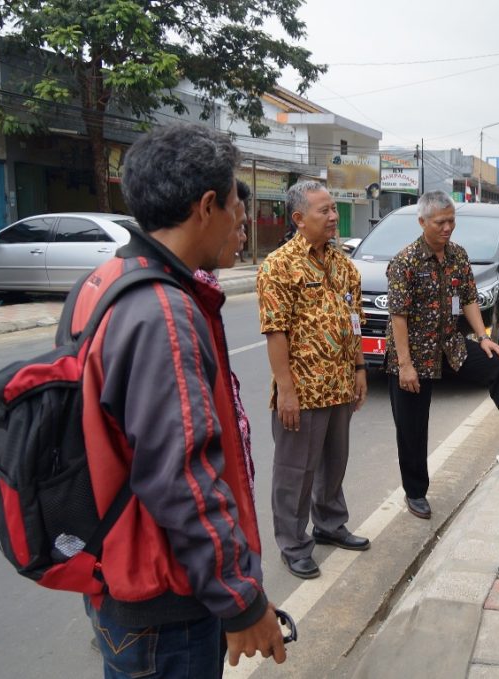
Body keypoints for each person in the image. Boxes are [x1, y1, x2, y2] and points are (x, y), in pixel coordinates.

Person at [76, 123, 285, 677]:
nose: (243, 221)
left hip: (118, 575)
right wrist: (241, 601)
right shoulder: (164, 313)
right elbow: (184, 480)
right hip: (166, 601)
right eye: (238, 205)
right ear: (208, 205)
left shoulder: (104, 281)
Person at [387, 191, 499, 520]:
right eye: (440, 222)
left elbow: (470, 298)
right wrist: (404, 365)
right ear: (422, 222)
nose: (447, 228)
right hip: (414, 356)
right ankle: (415, 492)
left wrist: (482, 337)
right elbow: (398, 316)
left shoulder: (458, 255)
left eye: (451, 221)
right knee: (412, 427)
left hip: (451, 346)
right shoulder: (405, 261)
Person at [257, 180, 370, 580]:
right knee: (295, 472)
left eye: (334, 209)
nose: (334, 217)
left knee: (333, 464)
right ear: (299, 218)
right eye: (324, 211)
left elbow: (353, 322)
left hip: (339, 383)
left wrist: (359, 369)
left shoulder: (343, 265)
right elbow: (276, 332)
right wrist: (285, 391)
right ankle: (293, 543)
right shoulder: (279, 266)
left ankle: (330, 524)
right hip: (301, 391)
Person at [194, 180, 255, 494]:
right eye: (238, 222)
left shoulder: (201, 290)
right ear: (207, 209)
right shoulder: (176, 302)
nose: (242, 236)